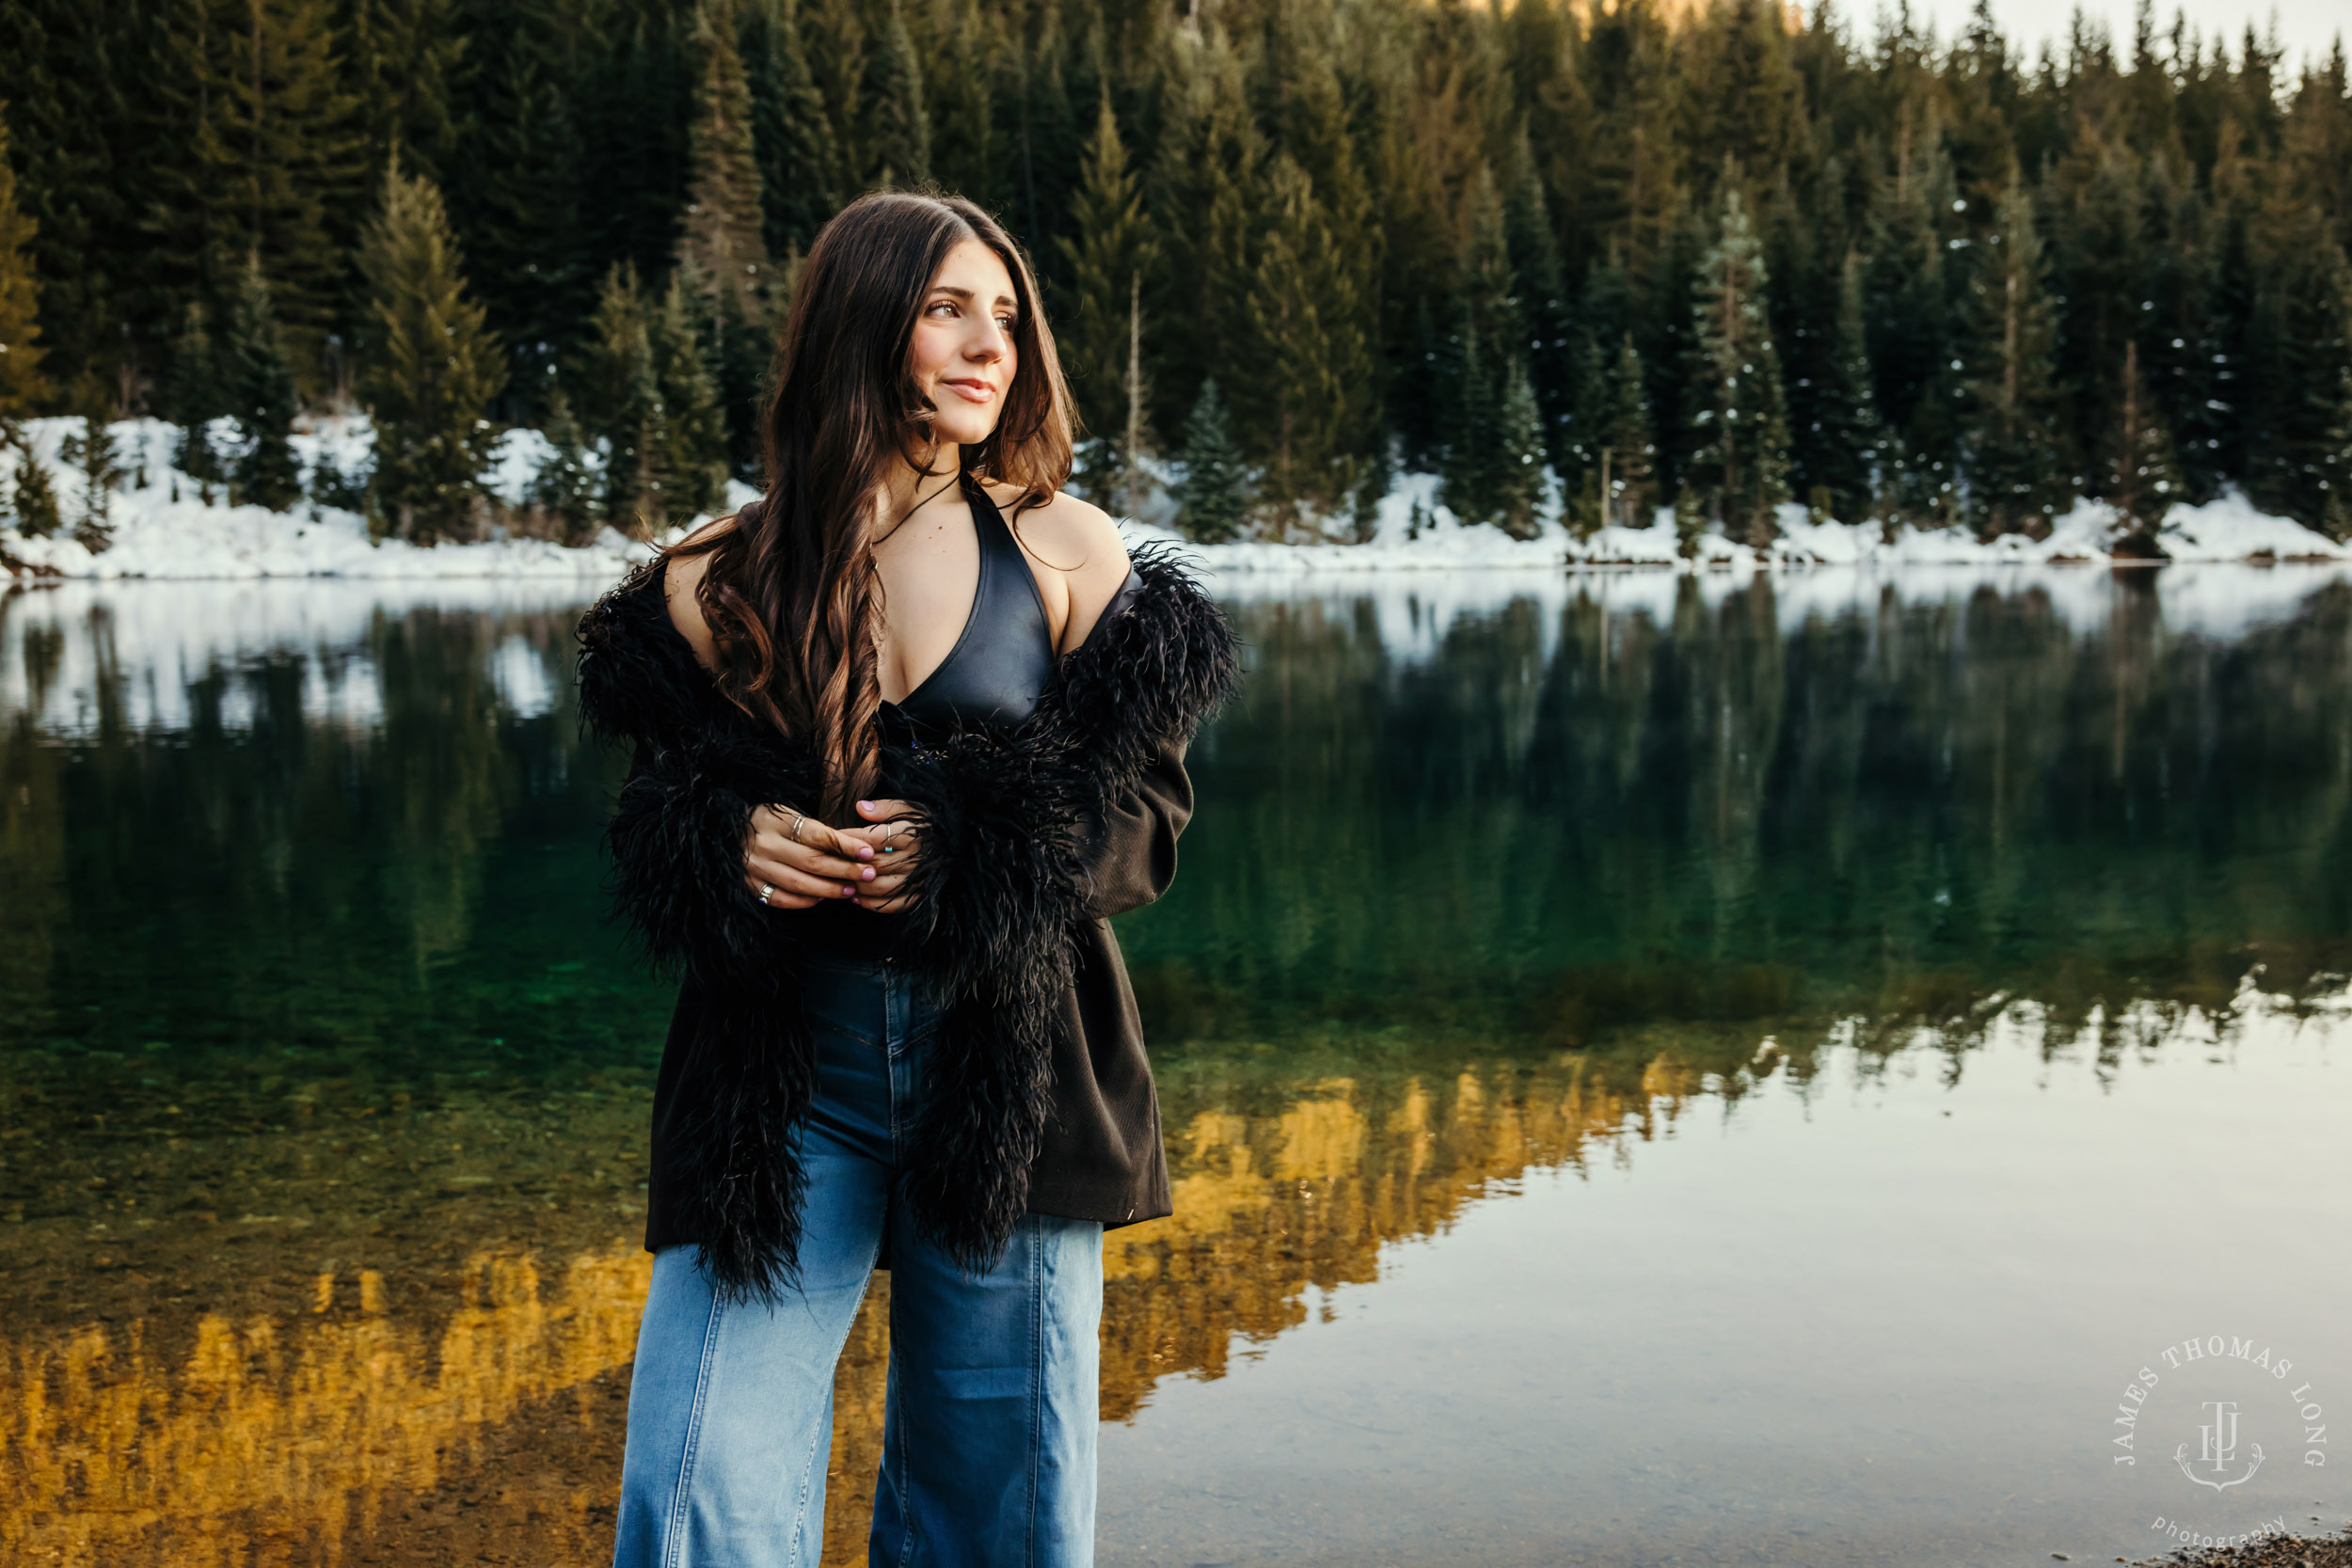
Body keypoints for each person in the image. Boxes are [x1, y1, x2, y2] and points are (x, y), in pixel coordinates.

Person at [574, 187, 1240, 1568]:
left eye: (1006, 314)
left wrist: (970, 847)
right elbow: (649, 823)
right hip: (778, 1096)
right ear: (861, 317)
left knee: (1001, 1512)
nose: (988, 343)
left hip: (1007, 1081)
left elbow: (1144, 827)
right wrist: (724, 838)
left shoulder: (1067, 551)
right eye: (948, 307)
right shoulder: (713, 577)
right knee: (699, 1490)